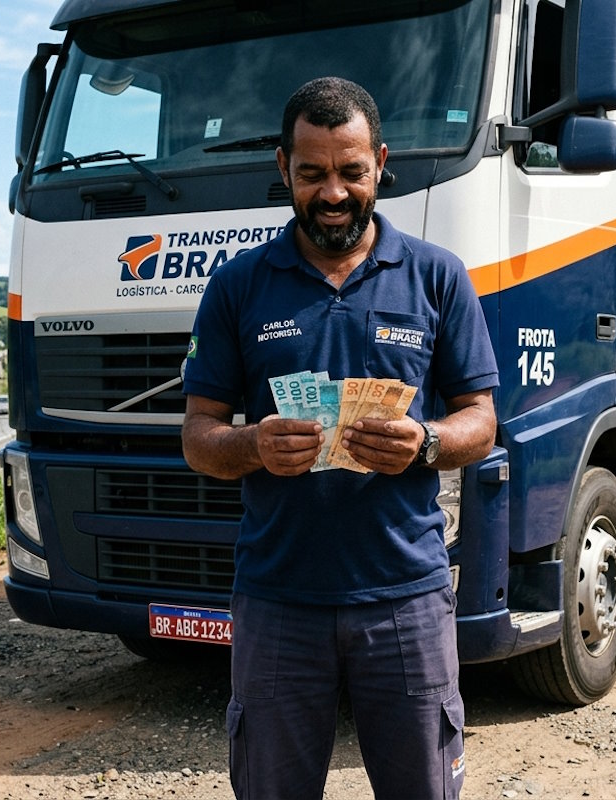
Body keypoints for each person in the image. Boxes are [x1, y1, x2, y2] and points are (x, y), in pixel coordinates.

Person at [181, 77, 499, 800]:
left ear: (379, 163)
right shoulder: (238, 286)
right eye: (312, 173)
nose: (333, 192)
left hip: (406, 598)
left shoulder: (437, 278)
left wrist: (425, 442)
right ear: (282, 168)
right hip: (277, 600)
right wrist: (253, 444)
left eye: (351, 172)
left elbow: (480, 420)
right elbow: (199, 436)